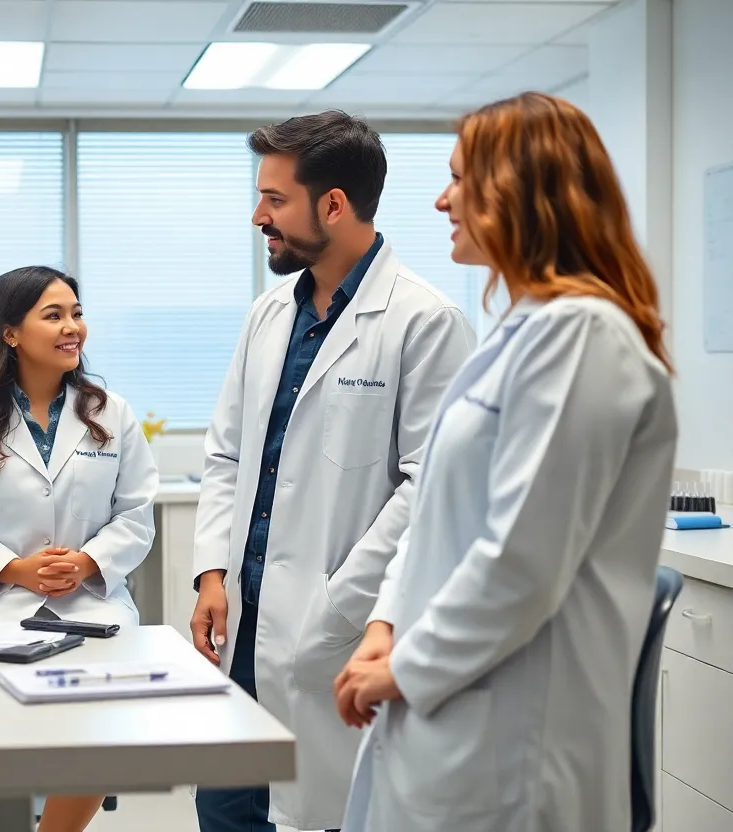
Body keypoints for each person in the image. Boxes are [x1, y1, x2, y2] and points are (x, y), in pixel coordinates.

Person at [333, 92, 678, 832]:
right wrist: (386, 625)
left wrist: (404, 669)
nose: (440, 199)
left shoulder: (583, 338)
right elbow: (434, 513)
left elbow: (522, 559)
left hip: (513, 741)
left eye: (459, 178)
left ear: (519, 191)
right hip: (451, 712)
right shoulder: (519, 333)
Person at [190, 111, 477, 832]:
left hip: (333, 635)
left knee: (323, 815)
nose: (259, 217)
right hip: (243, 634)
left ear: (334, 205)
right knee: (225, 812)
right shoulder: (267, 315)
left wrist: (340, 605)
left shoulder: (423, 321)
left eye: (275, 200)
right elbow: (227, 453)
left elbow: (430, 486)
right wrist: (212, 574)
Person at [0, 265, 159, 832]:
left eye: (76, 312)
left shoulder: (110, 414)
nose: (73, 326)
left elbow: (137, 515)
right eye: (54, 315)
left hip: (88, 603)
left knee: (100, 729)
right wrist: (14, 570)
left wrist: (88, 562)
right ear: (10, 333)